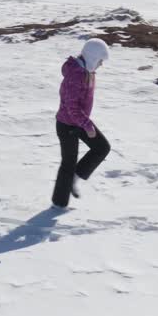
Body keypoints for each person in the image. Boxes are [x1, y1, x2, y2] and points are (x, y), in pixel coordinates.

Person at [52, 38, 112, 208]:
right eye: (100, 60)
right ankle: (58, 204)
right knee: (68, 163)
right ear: (92, 58)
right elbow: (72, 107)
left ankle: (74, 179)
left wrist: (85, 124)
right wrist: (87, 125)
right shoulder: (76, 75)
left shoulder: (86, 71)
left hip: (78, 122)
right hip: (66, 125)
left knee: (102, 148)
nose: (101, 64)